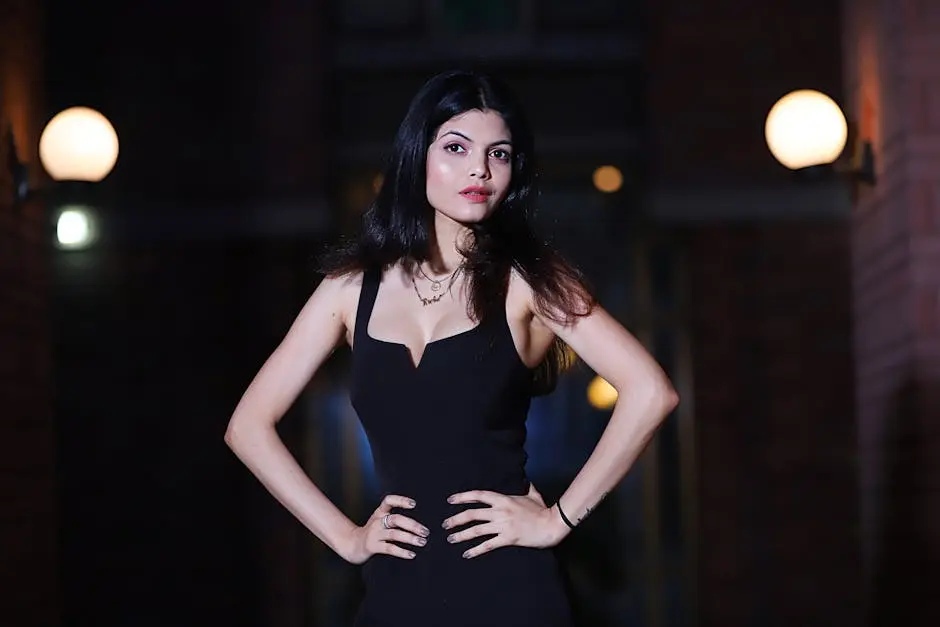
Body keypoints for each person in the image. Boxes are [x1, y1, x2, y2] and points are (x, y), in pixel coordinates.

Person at [224, 69, 678, 626]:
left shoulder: (529, 280)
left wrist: (558, 519)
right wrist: (344, 537)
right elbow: (247, 426)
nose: (479, 170)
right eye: (456, 148)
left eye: (500, 154)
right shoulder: (349, 288)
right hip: (397, 586)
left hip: (509, 584)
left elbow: (651, 391)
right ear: (418, 157)